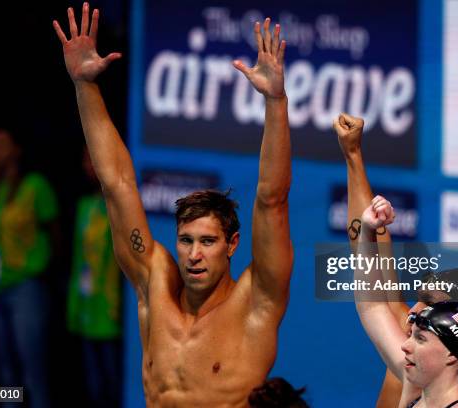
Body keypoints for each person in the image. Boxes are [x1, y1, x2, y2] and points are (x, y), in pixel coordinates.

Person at [53, 3, 293, 406]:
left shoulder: (256, 303)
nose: (194, 255)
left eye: (207, 241)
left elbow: (272, 199)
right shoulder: (156, 285)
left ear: (232, 244)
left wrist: (275, 102)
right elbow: (118, 184)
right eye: (185, 241)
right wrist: (85, 87)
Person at [332, 113, 458, 407]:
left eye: (428, 305)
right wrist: (353, 155)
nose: (412, 312)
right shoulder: (410, 348)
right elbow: (368, 267)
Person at [355, 194, 458, 407]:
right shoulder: (417, 385)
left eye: (421, 338)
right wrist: (367, 230)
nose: (412, 312)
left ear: (452, 348)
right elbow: (372, 306)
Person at [0, 126, 59, 407]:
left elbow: (55, 235)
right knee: (7, 372)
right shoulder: (0, 189)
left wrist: (46, 272)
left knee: (33, 370)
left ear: (17, 149)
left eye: (2, 144)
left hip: (27, 287)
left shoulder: (36, 186)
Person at [66, 147, 122, 408]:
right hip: (87, 306)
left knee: (113, 382)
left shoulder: (120, 206)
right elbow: (79, 259)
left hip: (112, 310)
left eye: (94, 157)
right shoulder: (84, 205)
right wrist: (74, 305)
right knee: (93, 384)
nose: (89, 164)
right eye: (86, 158)